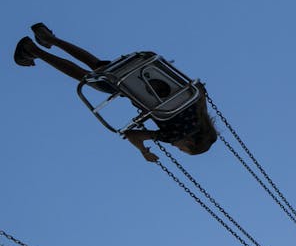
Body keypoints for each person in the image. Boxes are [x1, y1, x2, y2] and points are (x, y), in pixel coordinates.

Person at [14, 23, 217, 161]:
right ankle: (34, 50)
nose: (177, 148)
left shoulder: (199, 111)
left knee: (97, 64)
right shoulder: (172, 135)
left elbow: (199, 88)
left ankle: (50, 38)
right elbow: (132, 135)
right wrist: (144, 151)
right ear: (190, 142)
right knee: (89, 77)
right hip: (129, 85)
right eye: (182, 149)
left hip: (143, 68)